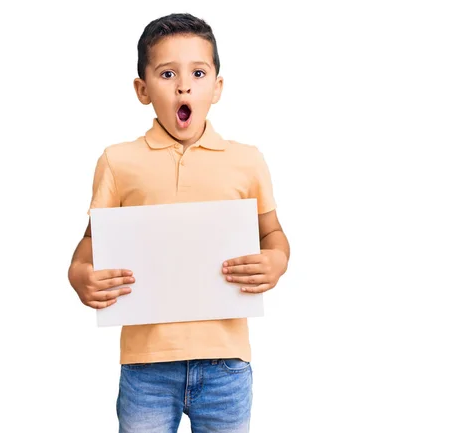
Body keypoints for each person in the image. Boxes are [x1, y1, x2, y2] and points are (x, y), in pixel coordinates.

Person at [68, 12, 290, 433]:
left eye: (198, 72)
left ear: (217, 87)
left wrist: (276, 261)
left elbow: (272, 233)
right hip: (146, 366)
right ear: (142, 89)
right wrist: (79, 274)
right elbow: (91, 241)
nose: (184, 85)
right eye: (168, 73)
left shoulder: (247, 161)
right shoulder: (118, 161)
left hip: (226, 363)